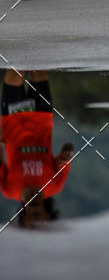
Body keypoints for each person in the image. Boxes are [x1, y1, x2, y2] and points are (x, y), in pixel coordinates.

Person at [0, 69, 73, 227]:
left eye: (32, 222)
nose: (36, 218)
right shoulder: (54, 186)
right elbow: (68, 148)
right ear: (48, 216)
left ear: (23, 219)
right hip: (42, 116)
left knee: (15, 70)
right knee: (38, 71)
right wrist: (67, 153)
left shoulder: (9, 190)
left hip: (13, 118)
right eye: (40, 220)